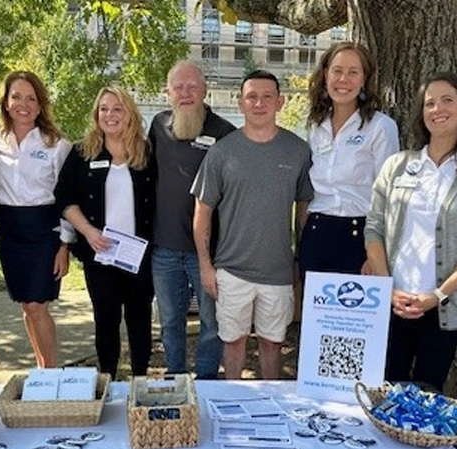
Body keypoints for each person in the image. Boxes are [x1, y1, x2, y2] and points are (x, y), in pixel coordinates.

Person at [362, 72, 457, 391]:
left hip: (445, 306)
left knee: (427, 394)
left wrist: (436, 295)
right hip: (393, 301)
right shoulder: (397, 165)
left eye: (447, 100)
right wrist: (388, 289)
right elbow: (374, 228)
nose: (437, 109)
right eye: (429, 103)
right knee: (385, 391)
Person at [193, 70, 313, 380]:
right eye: (251, 97)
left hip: (278, 272)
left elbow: (304, 213)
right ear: (240, 102)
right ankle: (233, 406)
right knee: (233, 344)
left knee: (273, 345)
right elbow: (202, 213)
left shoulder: (298, 151)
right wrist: (206, 266)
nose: (259, 103)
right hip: (231, 270)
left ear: (280, 102)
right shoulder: (222, 152)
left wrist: (301, 260)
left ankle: (271, 411)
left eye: (267, 96)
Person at [57, 87, 155, 379]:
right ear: (96, 114)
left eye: (117, 109)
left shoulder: (147, 152)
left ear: (129, 115)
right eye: (104, 109)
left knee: (140, 322)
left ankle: (140, 379)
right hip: (101, 254)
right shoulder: (81, 152)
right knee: (106, 322)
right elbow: (64, 198)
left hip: (139, 257)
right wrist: (87, 231)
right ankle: (108, 379)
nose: (109, 115)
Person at [149, 60, 236, 379]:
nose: (185, 93)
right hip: (164, 248)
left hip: (209, 254)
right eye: (178, 87)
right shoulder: (158, 126)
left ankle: (207, 380)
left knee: (212, 323)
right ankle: (175, 377)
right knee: (170, 320)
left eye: (192, 87)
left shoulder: (224, 132)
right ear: (168, 92)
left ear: (205, 91)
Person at [298, 41, 399, 277]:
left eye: (353, 72)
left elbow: (390, 196)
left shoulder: (381, 127)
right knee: (316, 315)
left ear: (365, 78)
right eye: (337, 71)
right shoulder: (315, 125)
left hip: (362, 238)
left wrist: (376, 254)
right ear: (325, 75)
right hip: (316, 235)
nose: (344, 79)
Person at [0, 71, 71, 368]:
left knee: (38, 304)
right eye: (16, 97)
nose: (23, 104)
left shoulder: (55, 144)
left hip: (43, 231)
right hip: (9, 229)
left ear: (40, 106)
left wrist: (65, 244)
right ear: (6, 102)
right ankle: (41, 367)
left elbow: (67, 198)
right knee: (26, 305)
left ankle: (51, 372)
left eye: (30, 98)